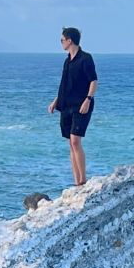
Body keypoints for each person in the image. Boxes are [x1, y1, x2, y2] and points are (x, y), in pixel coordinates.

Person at [48, 26, 98, 187]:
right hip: (66, 105)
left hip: (81, 105)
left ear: (70, 40)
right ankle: (77, 181)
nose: (61, 43)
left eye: (62, 40)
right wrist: (56, 101)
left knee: (76, 140)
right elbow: (64, 84)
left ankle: (83, 179)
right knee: (70, 142)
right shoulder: (67, 60)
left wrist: (88, 99)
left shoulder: (85, 58)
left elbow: (93, 81)